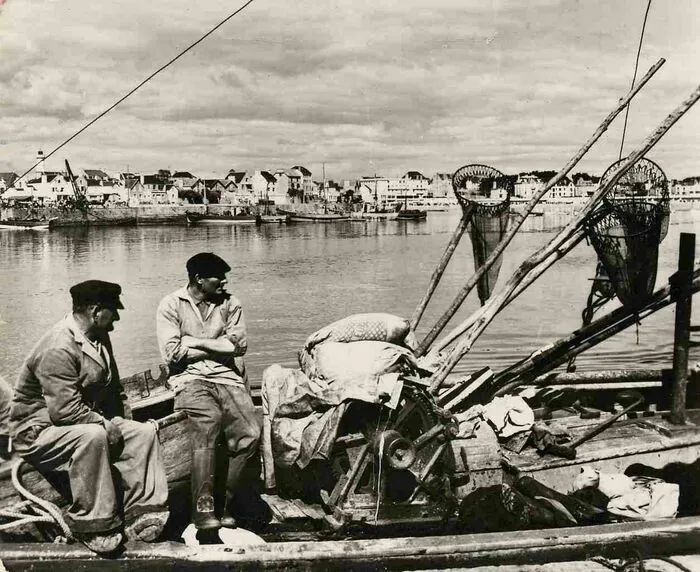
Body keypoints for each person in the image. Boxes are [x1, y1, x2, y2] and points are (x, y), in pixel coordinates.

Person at [10, 280, 169, 554]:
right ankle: (93, 523)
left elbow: (114, 391)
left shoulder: (99, 338)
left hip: (76, 422)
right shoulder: (58, 347)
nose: (117, 317)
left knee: (144, 433)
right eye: (113, 311)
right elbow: (65, 412)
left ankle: (142, 509)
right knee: (92, 435)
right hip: (37, 432)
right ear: (96, 311)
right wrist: (105, 426)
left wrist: (123, 423)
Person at [156, 252, 263, 538]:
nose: (225, 282)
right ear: (198, 279)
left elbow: (239, 347)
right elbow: (173, 352)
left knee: (250, 432)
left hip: (227, 376)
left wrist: (195, 342)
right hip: (188, 378)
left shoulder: (231, 303)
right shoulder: (171, 305)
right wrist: (218, 345)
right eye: (219, 277)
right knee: (207, 422)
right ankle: (203, 509)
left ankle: (225, 502)